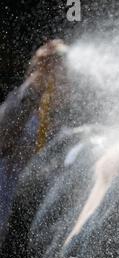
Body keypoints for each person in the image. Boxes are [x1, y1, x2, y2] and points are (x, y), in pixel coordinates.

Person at [0, 39, 68, 240]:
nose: (59, 83)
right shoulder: (21, 116)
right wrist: (35, 85)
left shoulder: (71, 131)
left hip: (38, 238)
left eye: (64, 79)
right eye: (54, 77)